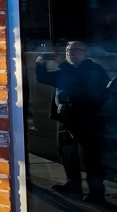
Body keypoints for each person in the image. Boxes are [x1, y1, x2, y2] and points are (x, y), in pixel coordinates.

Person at [35, 41, 109, 202]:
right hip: (66, 118)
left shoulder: (94, 69)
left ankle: (97, 193)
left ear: (85, 52)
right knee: (67, 153)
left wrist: (63, 65)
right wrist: (40, 65)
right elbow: (44, 78)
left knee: (92, 157)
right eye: (68, 50)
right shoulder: (65, 70)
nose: (71, 52)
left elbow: (83, 86)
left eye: (76, 50)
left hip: (89, 120)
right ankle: (72, 184)